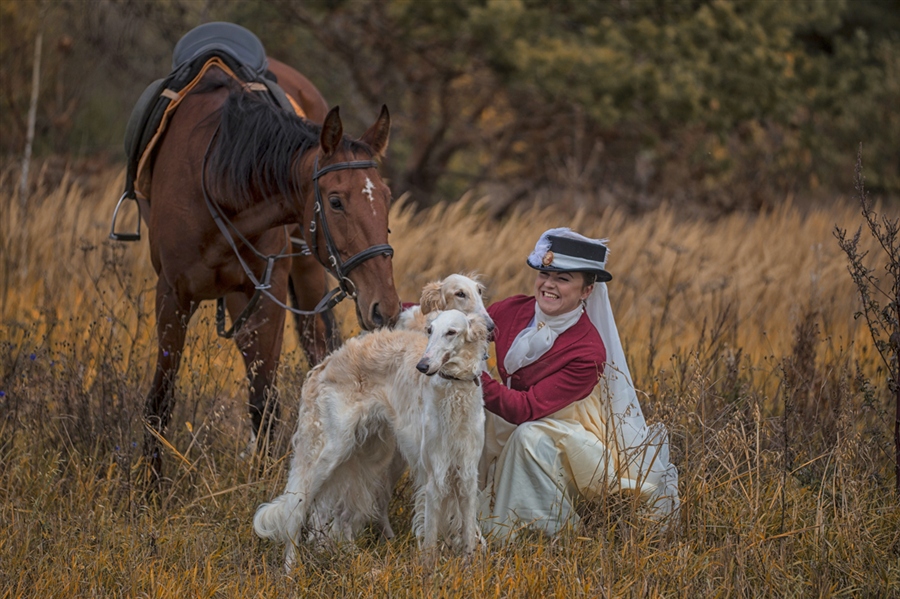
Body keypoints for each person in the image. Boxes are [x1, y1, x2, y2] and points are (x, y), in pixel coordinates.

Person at [478, 227, 680, 540]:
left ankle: (535, 536)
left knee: (528, 438)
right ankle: (461, 517)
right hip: (521, 419)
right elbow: (459, 324)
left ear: (587, 291)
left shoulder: (587, 351)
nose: (548, 284)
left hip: (571, 437)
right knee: (475, 418)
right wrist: (405, 314)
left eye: (563, 278)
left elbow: (527, 409)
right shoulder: (512, 310)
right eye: (544, 273)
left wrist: (470, 376)